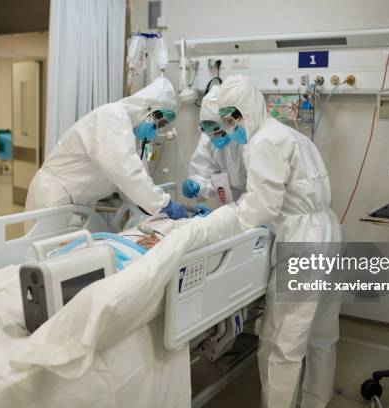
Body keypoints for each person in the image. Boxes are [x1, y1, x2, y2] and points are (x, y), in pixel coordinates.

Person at [217, 75, 343, 408]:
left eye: (232, 119)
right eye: (226, 121)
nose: (231, 128)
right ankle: (316, 402)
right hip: (329, 233)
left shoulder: (262, 142)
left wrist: (224, 220)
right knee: (322, 335)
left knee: (281, 342)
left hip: (304, 243)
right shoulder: (288, 133)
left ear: (248, 109)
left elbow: (263, 206)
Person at [25, 77, 187, 220]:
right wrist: (164, 204)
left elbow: (136, 183)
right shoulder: (113, 118)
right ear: (151, 111)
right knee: (47, 253)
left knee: (68, 252)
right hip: (53, 196)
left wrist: (157, 212)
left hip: (76, 205)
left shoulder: (133, 137)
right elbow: (127, 174)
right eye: (161, 123)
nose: (158, 129)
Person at [181, 85, 247, 204]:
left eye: (220, 132)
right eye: (212, 133)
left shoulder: (249, 138)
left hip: (263, 210)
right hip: (231, 208)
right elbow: (201, 175)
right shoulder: (208, 138)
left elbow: (263, 189)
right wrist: (197, 185)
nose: (215, 137)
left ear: (231, 121)